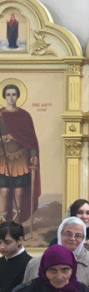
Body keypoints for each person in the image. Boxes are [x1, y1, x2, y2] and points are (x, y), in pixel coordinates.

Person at [25, 217, 89, 290]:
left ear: (83, 238)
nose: (72, 238)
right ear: (60, 234)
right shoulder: (36, 263)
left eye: (78, 235)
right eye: (68, 234)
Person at [0, 82, 40, 224]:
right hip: (3, 160)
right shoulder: (0, 115)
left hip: (21, 159)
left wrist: (33, 155)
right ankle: (3, 223)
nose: (11, 98)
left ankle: (16, 224)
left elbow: (31, 140)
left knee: (19, 192)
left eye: (14, 94)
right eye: (8, 95)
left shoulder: (24, 116)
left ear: (18, 96)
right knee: (4, 191)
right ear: (4, 96)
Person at [0, 221, 31, 292]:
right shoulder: (1, 262)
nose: (2, 247)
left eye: (7, 242)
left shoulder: (30, 263)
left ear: (20, 240)